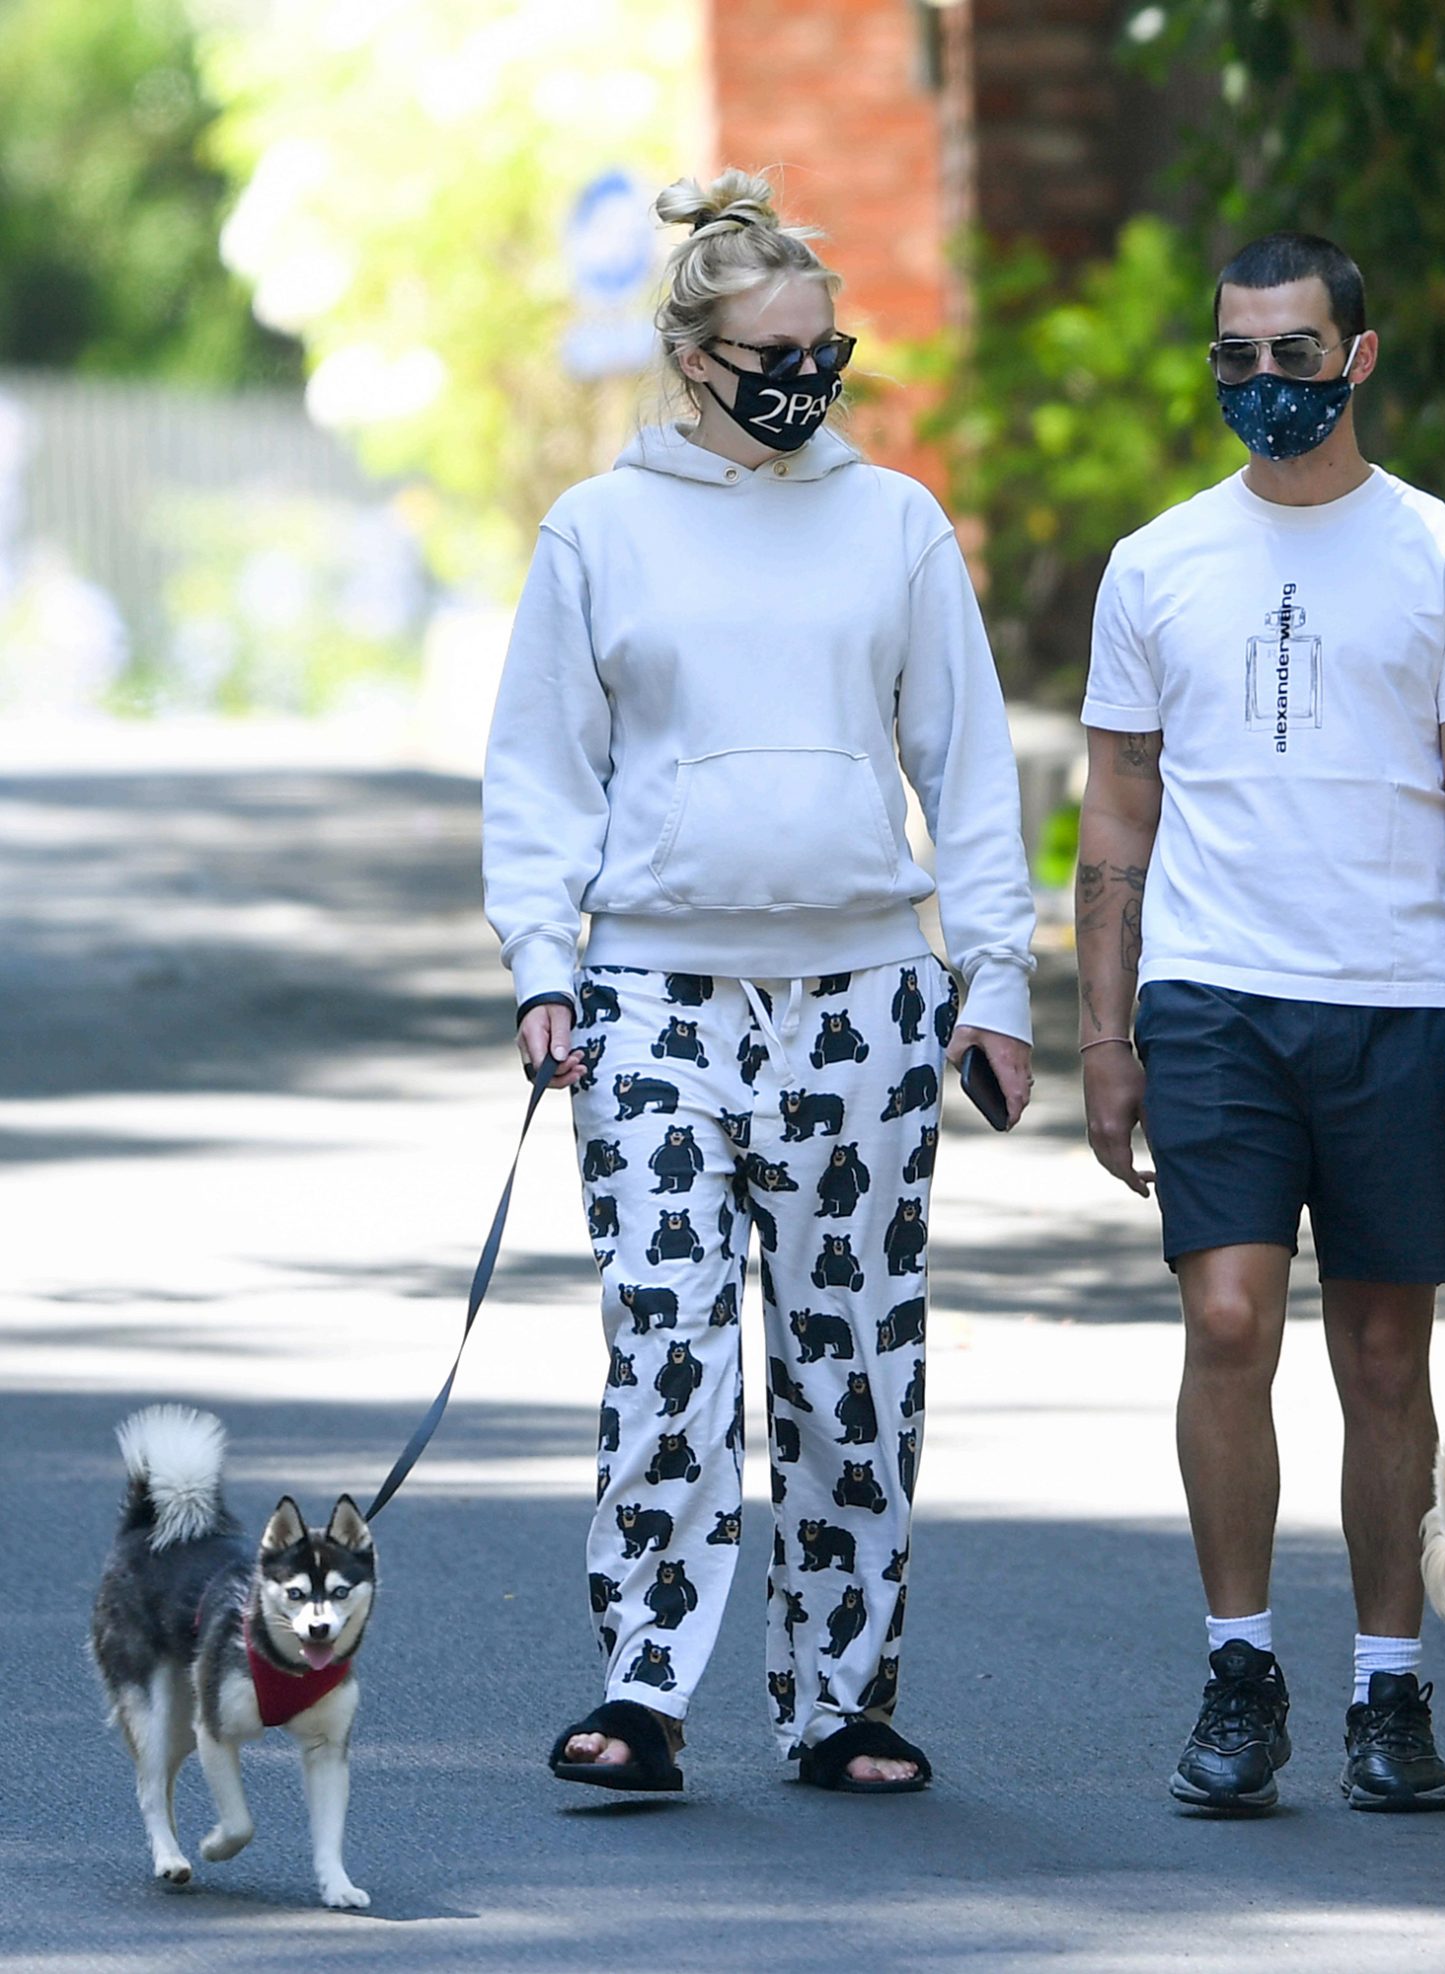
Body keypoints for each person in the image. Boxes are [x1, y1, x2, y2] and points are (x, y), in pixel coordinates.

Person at [482, 169, 1035, 1797]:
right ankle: (645, 1685)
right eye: (771, 348)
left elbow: (972, 766)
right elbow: (538, 776)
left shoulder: (897, 523)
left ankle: (840, 1696)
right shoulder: (601, 530)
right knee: (668, 1339)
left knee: (852, 1352)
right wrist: (542, 966)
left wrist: (993, 979)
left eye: (826, 344)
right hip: (653, 993)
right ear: (693, 356)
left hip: (866, 988)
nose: (805, 375)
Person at [1075, 230, 1445, 1815]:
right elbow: (1115, 813)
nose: (1264, 384)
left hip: (1399, 1003)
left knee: (1384, 1353)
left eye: (1292, 355)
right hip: (1213, 996)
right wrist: (1104, 1032)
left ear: (1356, 357)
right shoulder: (1154, 565)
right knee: (1226, 1320)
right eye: (1236, 359)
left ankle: (1388, 1690)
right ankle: (1238, 1667)